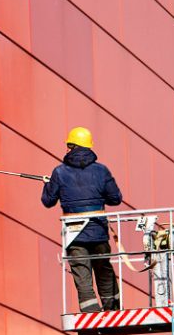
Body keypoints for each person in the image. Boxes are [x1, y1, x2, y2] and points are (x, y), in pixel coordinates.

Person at [41, 127, 123, 312]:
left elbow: (48, 201)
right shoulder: (102, 171)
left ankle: (90, 311)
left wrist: (48, 185)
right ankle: (112, 307)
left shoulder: (59, 172)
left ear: (70, 146)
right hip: (99, 231)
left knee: (81, 270)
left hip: (74, 233)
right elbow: (115, 199)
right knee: (103, 267)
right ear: (89, 147)